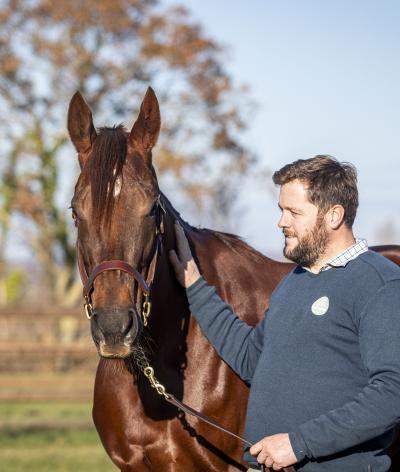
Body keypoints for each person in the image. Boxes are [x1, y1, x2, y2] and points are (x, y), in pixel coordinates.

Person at [169, 155, 400, 472]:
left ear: (334, 216)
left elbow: (391, 393)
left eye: (293, 212)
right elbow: (252, 358)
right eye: (281, 210)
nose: (281, 222)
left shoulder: (379, 284)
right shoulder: (295, 281)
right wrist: (195, 286)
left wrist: (297, 443)